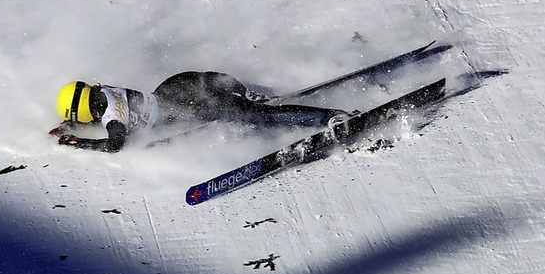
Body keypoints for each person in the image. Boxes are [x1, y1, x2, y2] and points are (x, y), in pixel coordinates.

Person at [49, 71, 350, 153]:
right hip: (171, 88)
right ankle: (248, 95)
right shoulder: (102, 92)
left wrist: (79, 142)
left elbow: (115, 145)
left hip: (187, 107)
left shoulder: (113, 119)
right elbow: (82, 106)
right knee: (210, 80)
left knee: (259, 118)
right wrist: (67, 127)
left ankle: (330, 117)